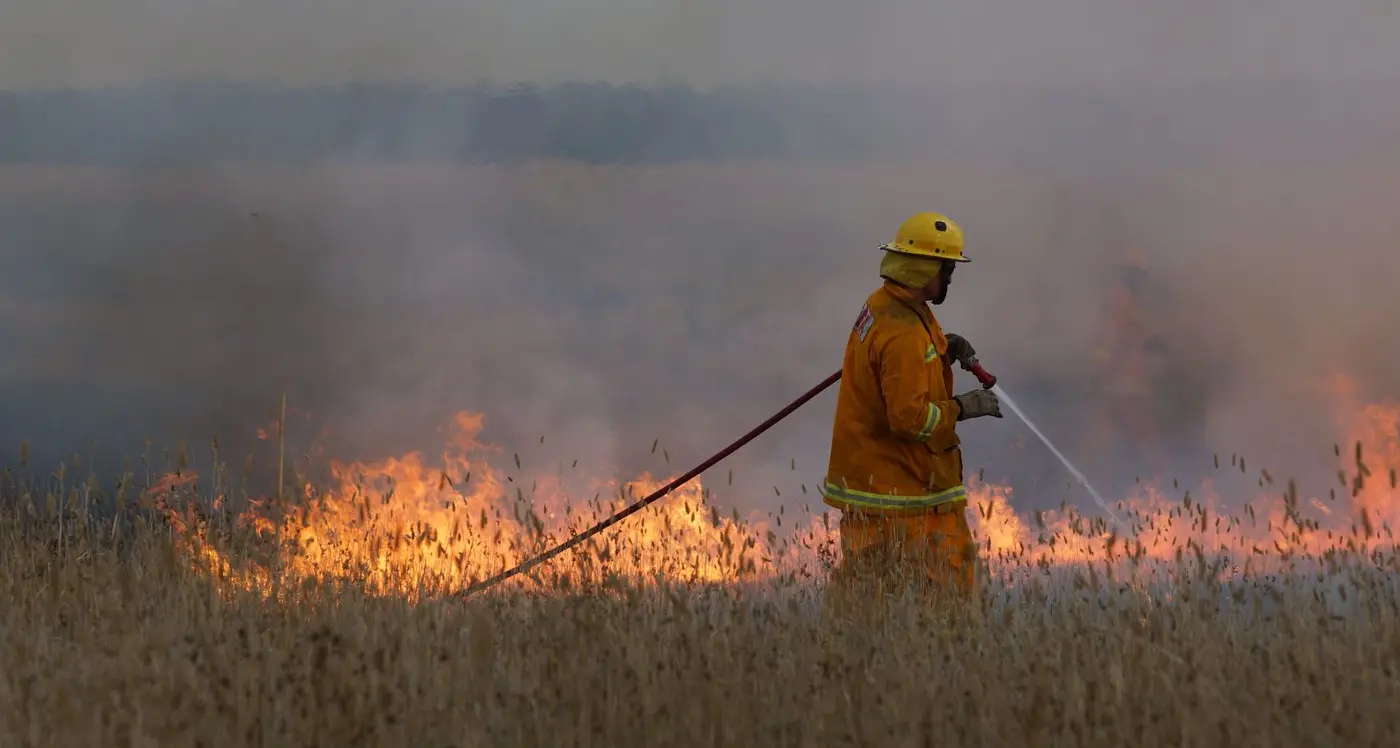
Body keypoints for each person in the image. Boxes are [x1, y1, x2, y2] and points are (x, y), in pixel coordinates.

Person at [821, 211, 1003, 616]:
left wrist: (942, 346)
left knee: (858, 610)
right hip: (909, 496)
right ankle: (956, 669)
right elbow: (909, 418)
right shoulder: (902, 331)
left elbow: (900, 366)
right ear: (926, 270)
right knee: (958, 605)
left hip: (875, 490)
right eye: (947, 269)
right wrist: (963, 408)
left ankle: (840, 666)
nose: (950, 279)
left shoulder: (885, 304)